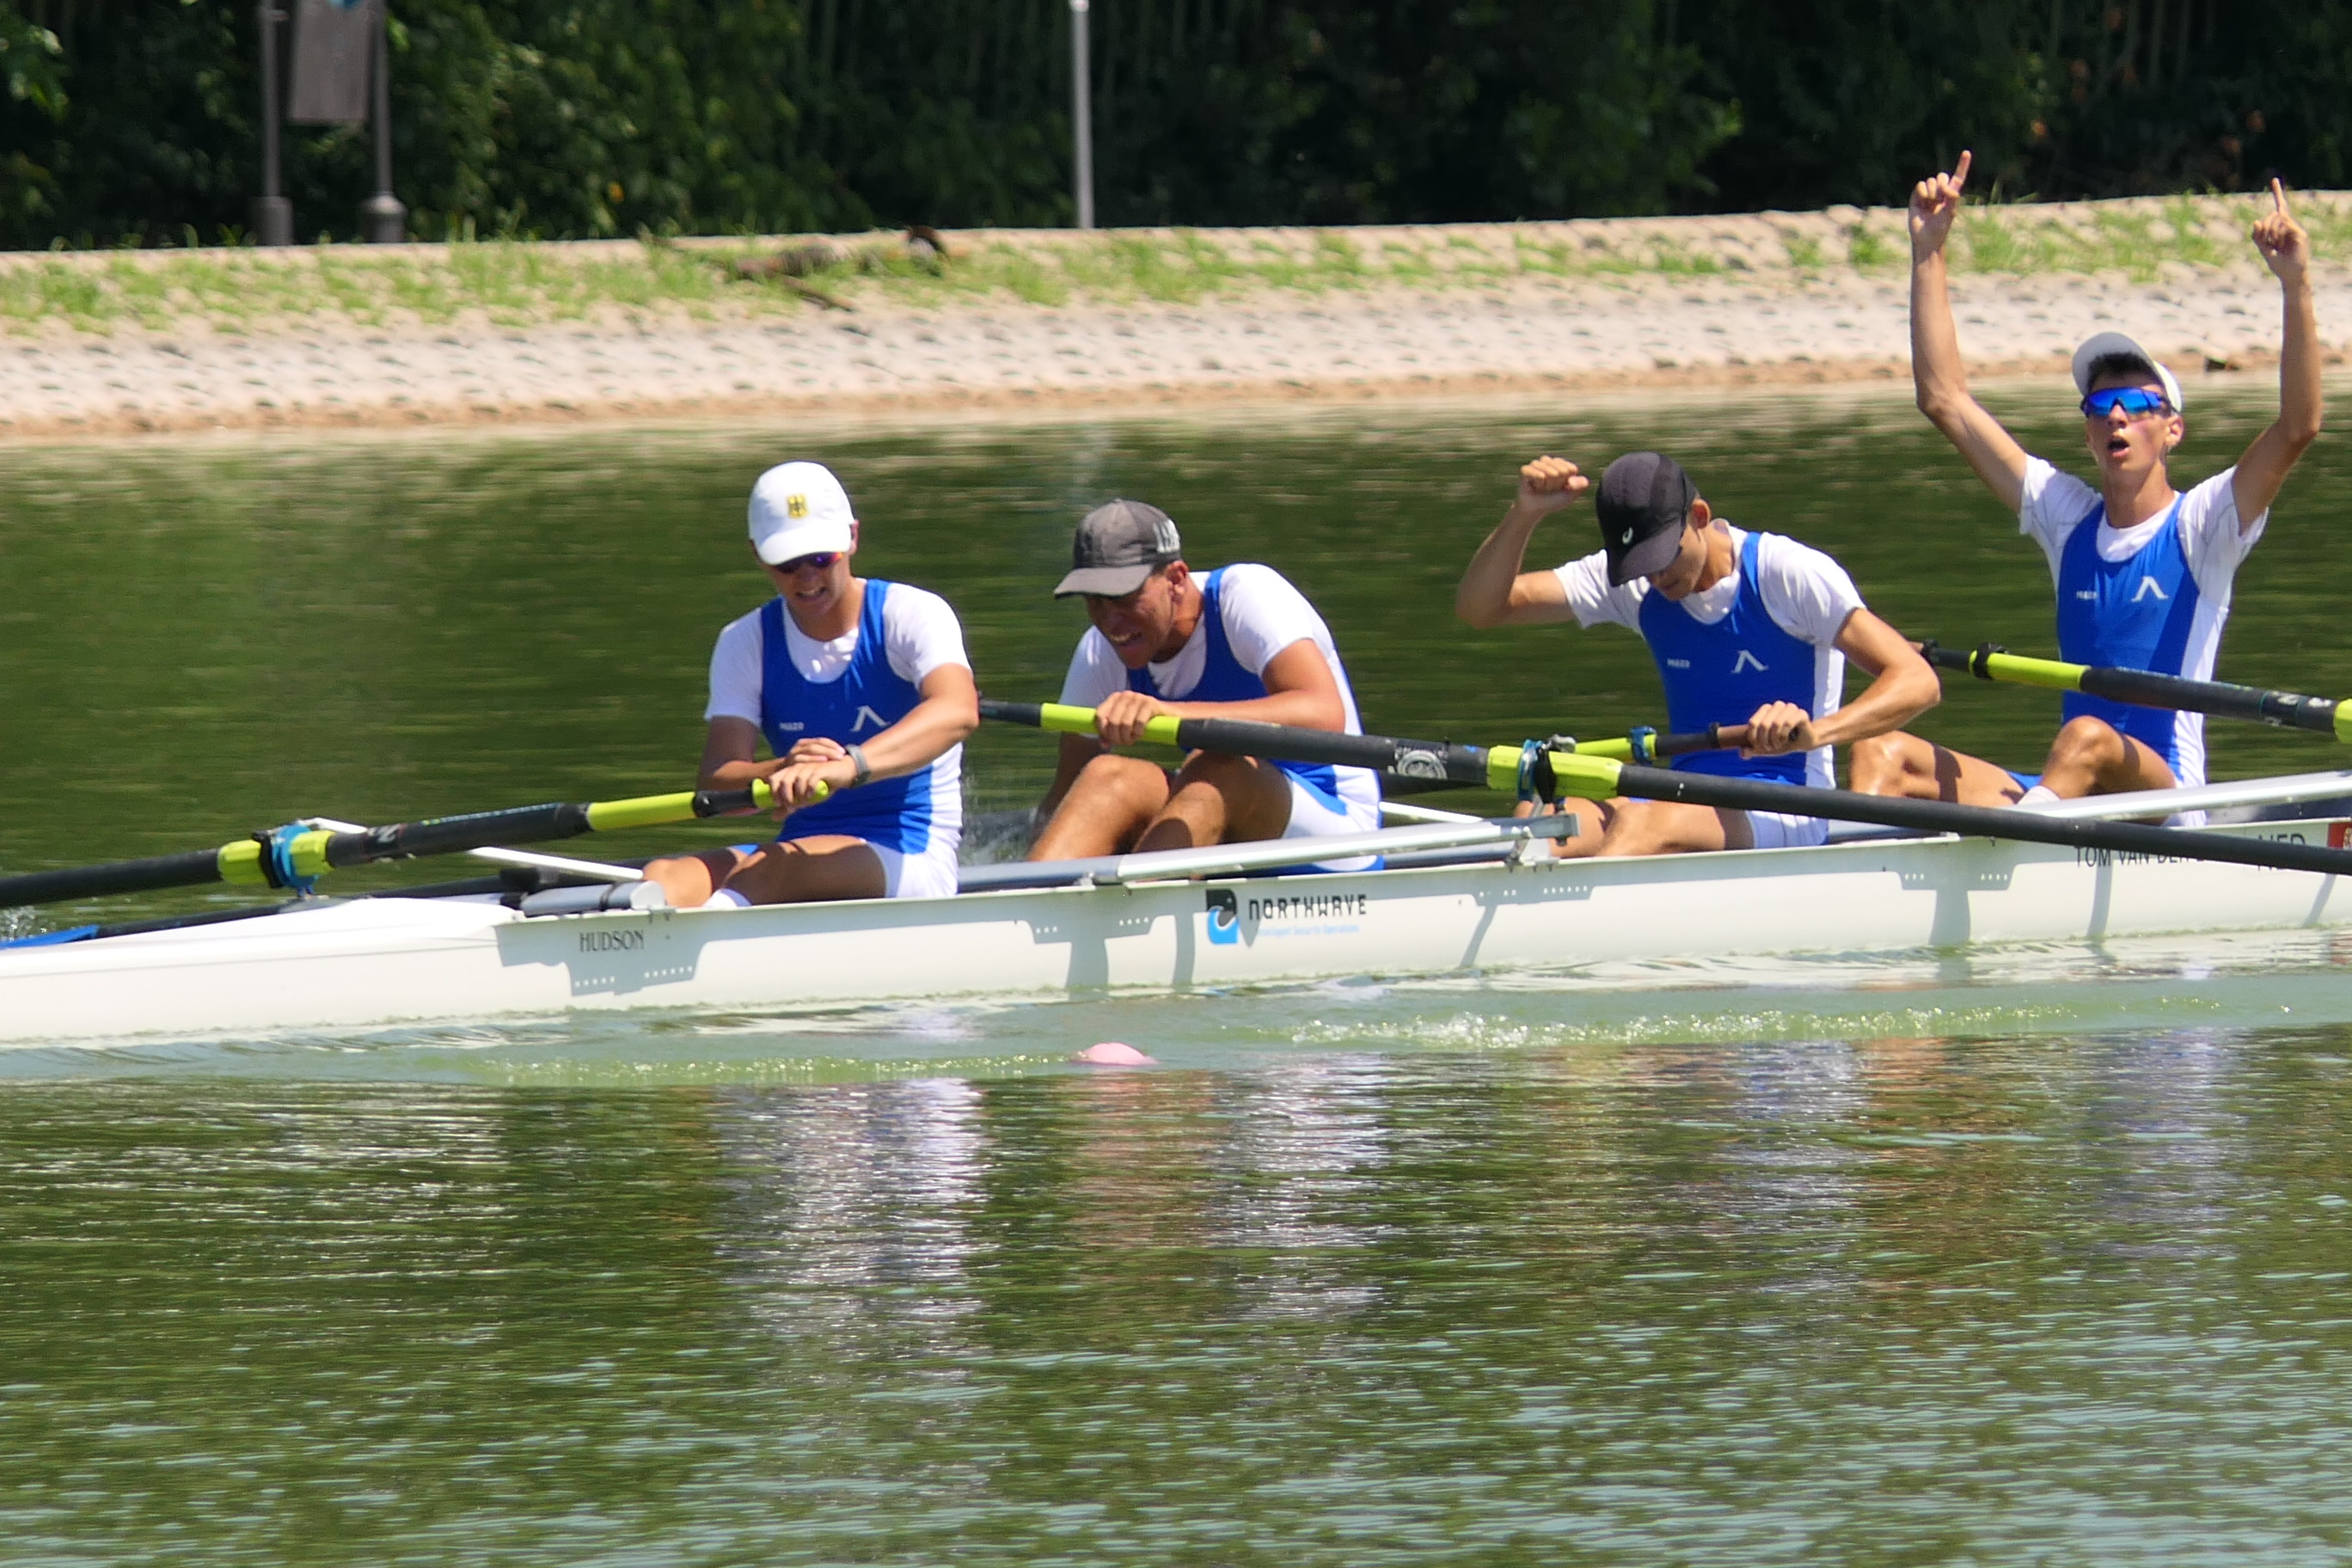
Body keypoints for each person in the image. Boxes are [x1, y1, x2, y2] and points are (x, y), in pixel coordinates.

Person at [1852, 153, 2321, 809]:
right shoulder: (2066, 517)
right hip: (2071, 786)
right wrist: (1928, 251)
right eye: (2101, 407)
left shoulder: (2205, 524)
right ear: (2088, 431)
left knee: (2086, 735)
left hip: (2164, 801)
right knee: (1884, 752)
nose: (2117, 418)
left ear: (2173, 430)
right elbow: (1945, 401)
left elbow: (2298, 426)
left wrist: (2295, 285)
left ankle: (2031, 844)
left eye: (2136, 404)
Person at [1455, 450, 1939, 857]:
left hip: (1788, 805)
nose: (1656, 579)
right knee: (1546, 817)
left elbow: (1917, 681)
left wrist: (1814, 734)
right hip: (1682, 799)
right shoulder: (1634, 581)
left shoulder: (1787, 574)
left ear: (1700, 518)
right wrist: (1524, 515)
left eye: (1663, 557)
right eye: (1640, 565)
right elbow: (1482, 609)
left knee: (1645, 826)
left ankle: (1600, 950)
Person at [644, 461, 978, 907]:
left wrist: (848, 767)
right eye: (787, 562)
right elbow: (718, 781)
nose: (807, 577)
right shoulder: (745, 641)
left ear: (852, 538)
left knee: (774, 867)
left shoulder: (911, 614)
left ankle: (699, 954)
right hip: (795, 849)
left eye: (822, 557)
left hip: (911, 854)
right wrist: (778, 770)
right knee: (665, 877)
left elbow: (958, 711)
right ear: (757, 554)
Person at [1028, 499, 1381, 864]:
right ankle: (1024, 906)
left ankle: (1149, 899)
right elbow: (1064, 791)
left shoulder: (1247, 597)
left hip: (1335, 830)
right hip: (1220, 823)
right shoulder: (1098, 652)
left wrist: (1171, 712)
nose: (1110, 623)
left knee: (1217, 764)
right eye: (1095, 602)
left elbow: (1324, 713)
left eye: (1124, 598)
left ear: (1176, 579)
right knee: (1106, 776)